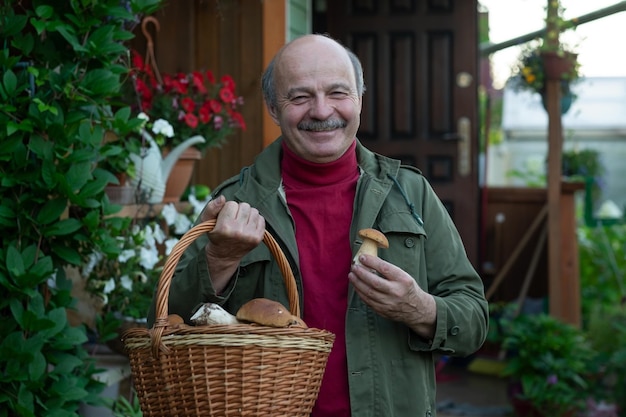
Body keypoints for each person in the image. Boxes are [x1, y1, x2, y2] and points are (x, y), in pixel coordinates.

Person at [149, 34, 489, 417]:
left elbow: (473, 320)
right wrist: (219, 262)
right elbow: (163, 327)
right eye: (299, 97)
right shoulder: (232, 204)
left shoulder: (409, 192)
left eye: (338, 93)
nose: (321, 110)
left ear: (360, 97)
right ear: (273, 109)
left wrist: (420, 308)